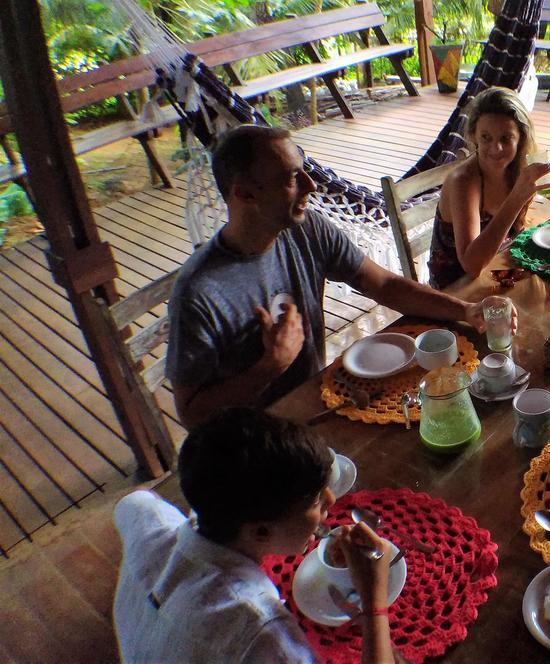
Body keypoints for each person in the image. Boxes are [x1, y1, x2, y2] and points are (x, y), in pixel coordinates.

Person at [167, 125, 507, 429]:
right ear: (245, 194)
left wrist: (464, 310)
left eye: (304, 171)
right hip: (251, 436)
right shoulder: (200, 292)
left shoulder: (306, 229)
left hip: (315, 404)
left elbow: (384, 285)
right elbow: (192, 414)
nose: (311, 186)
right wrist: (268, 367)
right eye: (290, 178)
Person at [113, 407, 395, 663]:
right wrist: (373, 601)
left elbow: (135, 500)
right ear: (260, 530)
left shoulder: (149, 522)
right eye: (315, 500)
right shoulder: (262, 634)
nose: (332, 500)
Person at [427, 86, 550, 289]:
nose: (496, 148)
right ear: (474, 136)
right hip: (457, 290)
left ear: (521, 138)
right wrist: (517, 197)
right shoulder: (463, 182)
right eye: (486, 138)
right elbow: (472, 265)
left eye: (506, 138)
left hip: (502, 266)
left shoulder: (520, 167)